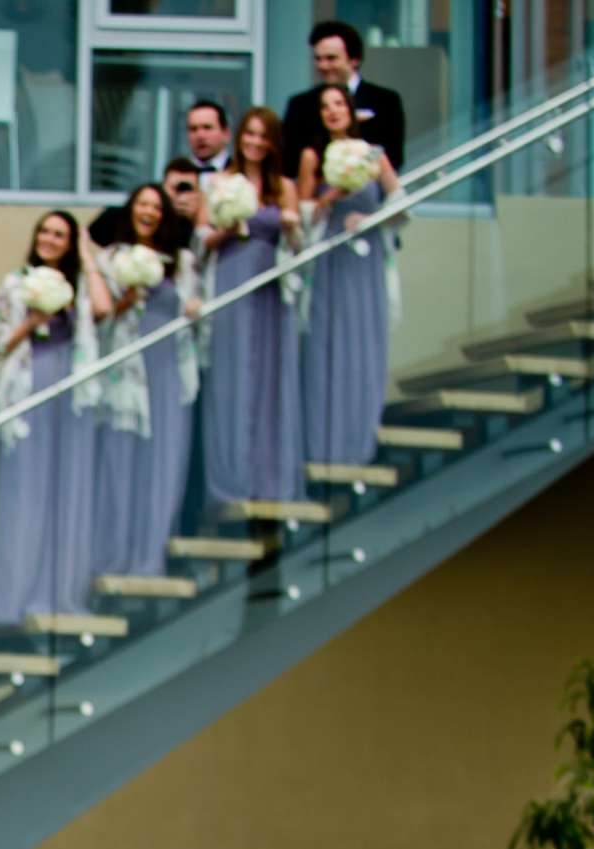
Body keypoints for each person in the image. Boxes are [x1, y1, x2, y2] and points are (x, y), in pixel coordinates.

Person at [0, 211, 119, 626]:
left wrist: (85, 253)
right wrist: (30, 323)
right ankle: (14, 600)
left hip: (70, 386)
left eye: (59, 234)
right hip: (29, 383)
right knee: (26, 490)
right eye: (44, 231)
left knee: (68, 487)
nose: (50, 238)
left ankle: (60, 592)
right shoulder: (13, 284)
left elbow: (102, 307)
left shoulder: (79, 284)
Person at [199, 104, 306, 508]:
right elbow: (201, 242)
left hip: (271, 284)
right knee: (232, 375)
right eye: (250, 134)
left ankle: (269, 475)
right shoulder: (219, 182)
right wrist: (228, 228)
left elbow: (297, 246)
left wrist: (294, 229)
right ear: (238, 137)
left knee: (270, 376)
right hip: (231, 274)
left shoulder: (285, 187)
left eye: (264, 136)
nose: (256, 143)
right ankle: (231, 478)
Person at [92, 182, 201, 578]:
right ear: (130, 211)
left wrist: (195, 311)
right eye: (142, 204)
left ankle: (149, 557)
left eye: (157, 207)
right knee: (120, 462)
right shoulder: (109, 259)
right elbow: (98, 319)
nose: (149, 212)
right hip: (126, 367)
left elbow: (194, 310)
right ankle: (113, 555)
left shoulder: (183, 262)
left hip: (166, 366)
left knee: (162, 462)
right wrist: (127, 298)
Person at [298, 81, 404, 469]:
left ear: (350, 108)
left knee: (363, 340)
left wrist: (370, 219)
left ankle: (360, 441)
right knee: (327, 344)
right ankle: (325, 444)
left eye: (339, 103)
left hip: (366, 258)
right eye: (325, 105)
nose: (332, 111)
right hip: (330, 255)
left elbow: (401, 204)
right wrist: (333, 196)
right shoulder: (313, 156)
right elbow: (305, 212)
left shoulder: (375, 155)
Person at [282, 21, 407, 172]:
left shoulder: (385, 101)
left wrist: (356, 168)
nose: (323, 65)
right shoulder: (300, 104)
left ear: (355, 60)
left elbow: (391, 153)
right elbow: (289, 160)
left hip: (369, 188)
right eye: (318, 59)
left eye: (331, 58)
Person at [185, 99, 232, 173]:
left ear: (226, 133)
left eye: (207, 127)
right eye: (193, 129)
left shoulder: (240, 174)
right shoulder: (177, 174)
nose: (200, 136)